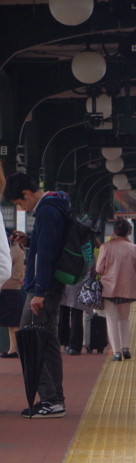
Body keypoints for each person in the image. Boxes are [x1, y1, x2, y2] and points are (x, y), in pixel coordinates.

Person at [2, 172, 69, 418]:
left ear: (27, 195)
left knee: (27, 342)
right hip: (49, 286)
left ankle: (50, 399)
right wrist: (29, 241)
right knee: (48, 342)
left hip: (43, 289)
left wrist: (39, 292)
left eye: (21, 204)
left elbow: (47, 255)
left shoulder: (47, 211)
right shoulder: (55, 205)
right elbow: (46, 246)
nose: (23, 208)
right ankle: (55, 400)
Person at [95, 217, 136, 361]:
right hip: (127, 289)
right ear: (128, 232)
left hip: (109, 288)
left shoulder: (106, 247)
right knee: (124, 318)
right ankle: (126, 348)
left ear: (114, 231)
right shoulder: (133, 248)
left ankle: (116, 352)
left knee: (111, 319)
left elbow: (99, 269)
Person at [1, 229, 28, 358]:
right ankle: (12, 348)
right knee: (12, 322)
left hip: (8, 287)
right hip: (14, 287)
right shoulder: (17, 248)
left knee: (12, 322)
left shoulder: (10, 251)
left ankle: (13, 349)